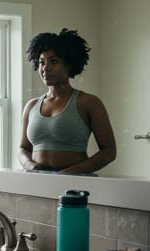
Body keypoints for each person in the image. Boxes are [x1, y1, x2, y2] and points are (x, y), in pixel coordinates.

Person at [18, 28, 116, 174]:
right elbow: (23, 149)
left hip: (75, 183)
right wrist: (30, 165)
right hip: (37, 182)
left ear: (69, 64)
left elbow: (109, 152)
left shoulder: (89, 102)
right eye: (41, 62)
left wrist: (67, 174)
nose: (45, 68)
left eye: (53, 61)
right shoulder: (31, 106)